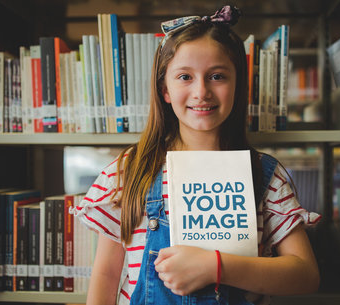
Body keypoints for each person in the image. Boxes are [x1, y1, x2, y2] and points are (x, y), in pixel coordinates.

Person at [71, 5, 321, 305]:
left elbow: (305, 274)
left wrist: (217, 267)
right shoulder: (128, 170)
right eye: (185, 77)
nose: (201, 91)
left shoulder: (264, 174)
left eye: (217, 76)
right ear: (165, 90)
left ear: (237, 85)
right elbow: (106, 277)